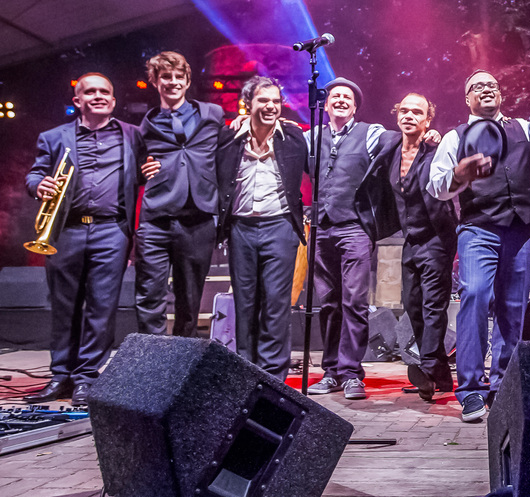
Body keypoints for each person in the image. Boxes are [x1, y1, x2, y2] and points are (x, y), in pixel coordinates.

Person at [24, 74, 144, 405]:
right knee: (64, 307)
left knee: (101, 308)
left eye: (105, 91)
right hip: (66, 230)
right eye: (90, 92)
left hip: (111, 230)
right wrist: (38, 185)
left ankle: (86, 378)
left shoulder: (133, 134)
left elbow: (149, 167)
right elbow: (35, 173)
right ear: (77, 100)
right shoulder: (53, 137)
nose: (98, 96)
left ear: (114, 100)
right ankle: (60, 376)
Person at [429, 70, 530, 423]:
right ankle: (471, 389)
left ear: (500, 95)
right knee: (475, 296)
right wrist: (459, 175)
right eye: (477, 86)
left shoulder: (524, 128)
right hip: (478, 230)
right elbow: (436, 186)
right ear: (467, 99)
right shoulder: (455, 136)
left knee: (513, 308)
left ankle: (503, 385)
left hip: (521, 229)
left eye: (492, 85)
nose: (487, 89)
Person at [304, 77, 400, 400]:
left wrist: (426, 135)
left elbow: (397, 139)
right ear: (326, 104)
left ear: (355, 106)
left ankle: (350, 373)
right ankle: (331, 371)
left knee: (354, 301)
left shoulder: (368, 133)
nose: (341, 100)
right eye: (336, 95)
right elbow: (286, 145)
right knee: (329, 303)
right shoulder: (313, 136)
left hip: (354, 228)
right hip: (321, 228)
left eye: (348, 96)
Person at [216, 76, 307, 380]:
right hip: (241, 228)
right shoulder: (229, 137)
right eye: (263, 100)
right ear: (248, 103)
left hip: (280, 226)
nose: (271, 106)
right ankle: (246, 373)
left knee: (276, 305)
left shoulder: (293, 137)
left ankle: (272, 379)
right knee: (245, 304)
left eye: (276, 101)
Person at [134, 51, 225, 338]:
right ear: (154, 81)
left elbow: (229, 149)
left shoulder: (213, 114)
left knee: (190, 300)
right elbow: (134, 169)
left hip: (198, 219)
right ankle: (153, 358)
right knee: (150, 295)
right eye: (165, 77)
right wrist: (141, 171)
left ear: (187, 81)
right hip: (156, 219)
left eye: (178, 76)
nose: (172, 82)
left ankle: (184, 357)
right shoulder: (144, 127)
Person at [387, 93, 458, 402]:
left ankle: (428, 368)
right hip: (410, 239)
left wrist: (436, 139)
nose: (409, 116)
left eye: (417, 112)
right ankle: (441, 374)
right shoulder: (390, 149)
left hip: (437, 237)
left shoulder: (436, 150)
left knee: (433, 305)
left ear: (428, 120)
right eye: (404, 110)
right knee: (411, 303)